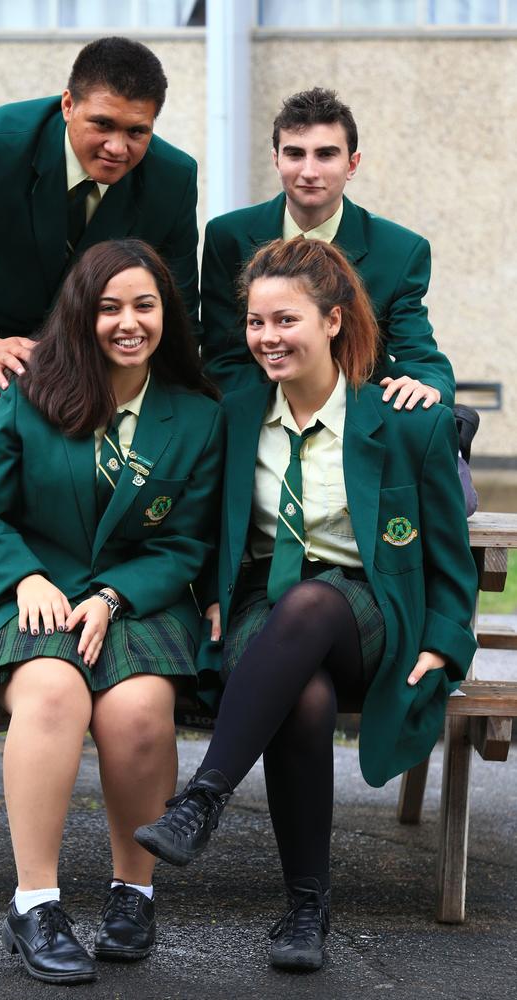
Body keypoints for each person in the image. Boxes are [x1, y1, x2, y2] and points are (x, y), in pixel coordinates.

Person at [135, 237, 477, 973]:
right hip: (264, 607)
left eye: (285, 321)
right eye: (256, 323)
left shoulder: (402, 422)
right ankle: (305, 910)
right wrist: (209, 600)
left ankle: (203, 797)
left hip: (371, 615)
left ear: (332, 321)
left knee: (317, 602)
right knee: (306, 697)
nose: (267, 339)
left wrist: (444, 643)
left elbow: (450, 557)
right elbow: (196, 528)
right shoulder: (232, 414)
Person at [0, 239, 223, 985]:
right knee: (56, 691)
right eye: (109, 307)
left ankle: (134, 892)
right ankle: (35, 903)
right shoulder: (30, 395)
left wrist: (113, 594)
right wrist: (28, 578)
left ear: (167, 313)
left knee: (136, 710)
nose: (128, 322)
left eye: (144, 305)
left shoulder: (196, 417)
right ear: (81, 314)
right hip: (26, 594)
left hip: (135, 599)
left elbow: (187, 543)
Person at [0, 36, 200, 482]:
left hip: (100, 373)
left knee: (91, 518)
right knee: (9, 509)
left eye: (137, 131)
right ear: (67, 105)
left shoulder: (174, 177)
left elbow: (178, 308)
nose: (118, 147)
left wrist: (180, 403)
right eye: (102, 124)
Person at [199, 87, 454, 409]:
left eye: (326, 154)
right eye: (295, 154)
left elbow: (418, 354)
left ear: (352, 164)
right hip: (258, 413)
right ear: (276, 160)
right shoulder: (228, 236)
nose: (309, 171)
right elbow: (223, 356)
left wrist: (428, 384)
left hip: (359, 419)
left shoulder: (401, 250)